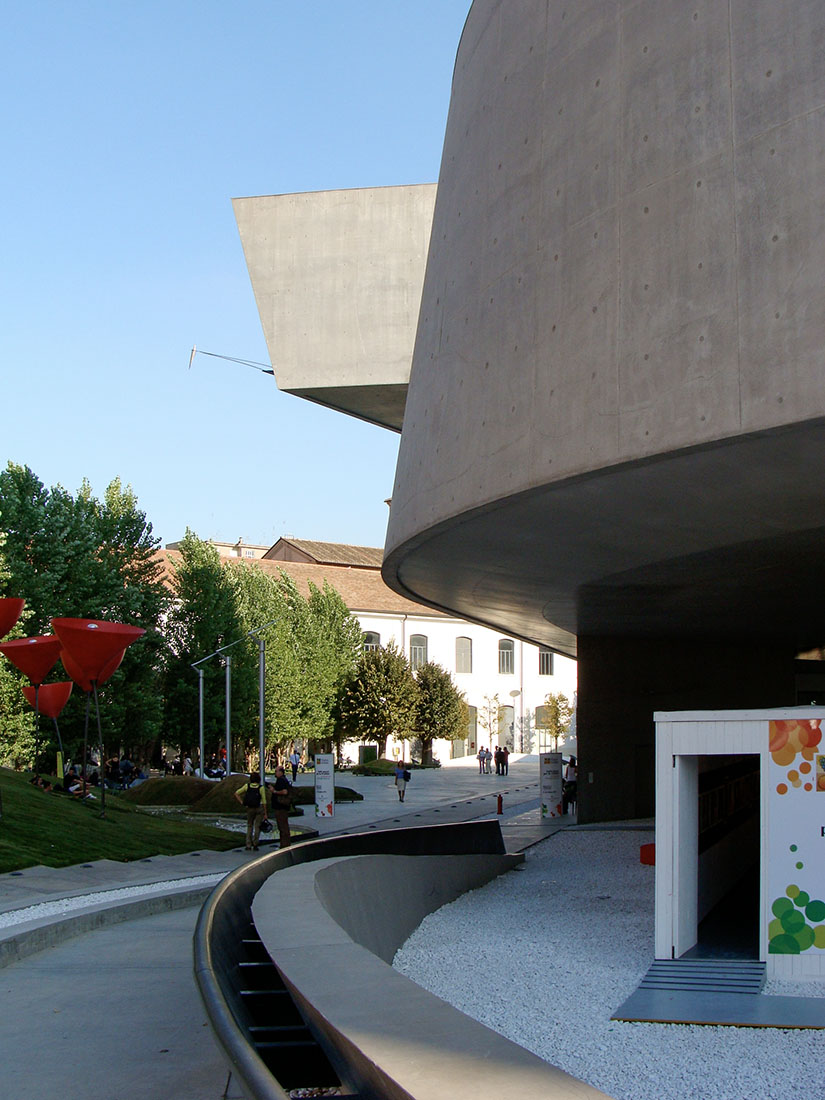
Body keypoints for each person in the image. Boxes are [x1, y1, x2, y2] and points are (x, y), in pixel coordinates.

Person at [234, 772, 271, 851]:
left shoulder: (247, 786)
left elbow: (237, 793)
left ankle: (248, 844)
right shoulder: (261, 788)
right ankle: (255, 843)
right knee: (257, 826)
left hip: (250, 808)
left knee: (249, 825)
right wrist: (265, 812)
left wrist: (242, 802)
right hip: (259, 807)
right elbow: (264, 801)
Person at [271, 765, 293, 848]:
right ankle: (284, 844)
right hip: (280, 806)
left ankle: (285, 845)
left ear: (281, 772)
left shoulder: (281, 780)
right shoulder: (282, 780)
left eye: (276, 771)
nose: (275, 773)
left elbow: (284, 792)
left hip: (281, 807)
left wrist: (274, 791)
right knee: (282, 826)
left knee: (283, 826)